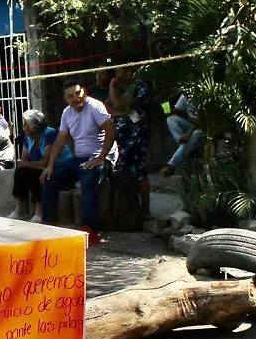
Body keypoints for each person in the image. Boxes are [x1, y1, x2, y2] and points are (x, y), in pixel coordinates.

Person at [40, 82, 117, 243]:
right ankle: (48, 226)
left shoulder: (95, 106)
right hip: (80, 159)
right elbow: (60, 140)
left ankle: (90, 230)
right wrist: (50, 166)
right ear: (65, 99)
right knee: (50, 178)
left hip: (101, 157)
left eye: (78, 93)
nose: (76, 98)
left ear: (84, 91)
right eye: (70, 96)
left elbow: (110, 130)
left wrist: (101, 157)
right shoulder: (67, 113)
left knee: (89, 179)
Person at [7, 109, 72, 222]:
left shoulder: (50, 134)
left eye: (26, 125)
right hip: (41, 167)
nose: (23, 127)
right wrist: (37, 165)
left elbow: (46, 161)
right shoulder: (28, 138)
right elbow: (23, 161)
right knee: (20, 171)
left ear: (34, 127)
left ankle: (39, 212)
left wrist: (37, 166)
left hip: (60, 168)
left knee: (37, 174)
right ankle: (19, 209)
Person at [107, 65, 152, 216]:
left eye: (119, 70)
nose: (116, 74)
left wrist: (112, 88)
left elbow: (119, 104)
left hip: (136, 136)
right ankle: (129, 208)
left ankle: (145, 209)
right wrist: (119, 114)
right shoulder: (120, 88)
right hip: (121, 136)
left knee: (139, 172)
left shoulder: (139, 86)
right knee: (122, 171)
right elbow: (108, 107)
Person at [162, 94, 203, 177]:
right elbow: (176, 110)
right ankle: (183, 146)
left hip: (203, 127)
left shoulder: (203, 93)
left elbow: (200, 119)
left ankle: (172, 165)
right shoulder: (186, 94)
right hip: (190, 125)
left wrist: (188, 133)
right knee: (170, 119)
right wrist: (166, 107)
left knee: (196, 133)